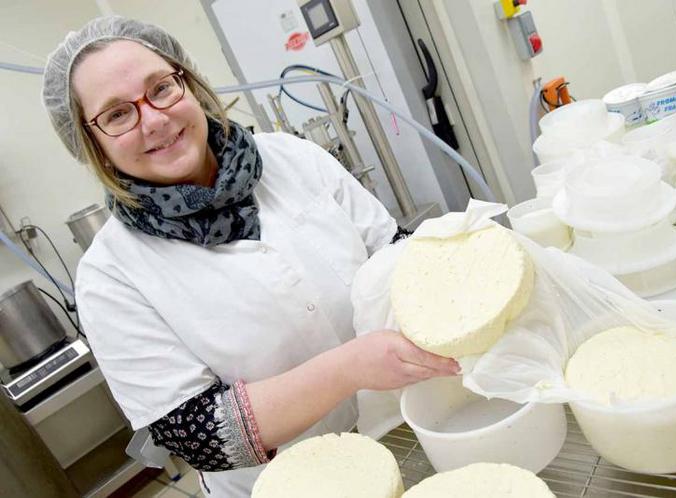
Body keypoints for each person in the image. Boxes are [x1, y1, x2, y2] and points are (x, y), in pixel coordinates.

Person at [41, 16, 459, 497]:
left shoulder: (290, 158)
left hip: (410, 426)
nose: (154, 119)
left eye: (161, 88)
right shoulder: (111, 275)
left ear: (190, 85)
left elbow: (393, 253)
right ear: (92, 145)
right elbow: (197, 436)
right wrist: (351, 368)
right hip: (292, 486)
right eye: (116, 115)